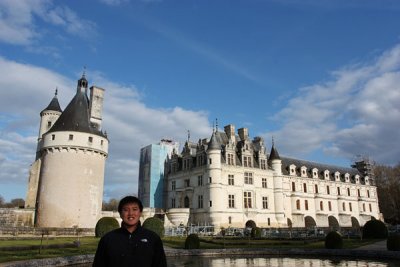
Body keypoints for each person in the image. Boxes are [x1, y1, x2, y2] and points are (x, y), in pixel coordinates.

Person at [93, 196, 167, 267]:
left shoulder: (153, 239)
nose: (131, 213)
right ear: (120, 214)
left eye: (134, 209)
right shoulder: (107, 239)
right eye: (126, 210)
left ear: (140, 213)